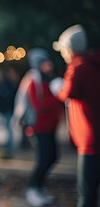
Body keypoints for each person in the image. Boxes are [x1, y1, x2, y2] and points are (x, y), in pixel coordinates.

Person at [54, 24, 100, 207]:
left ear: (70, 50)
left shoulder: (77, 68)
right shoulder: (94, 63)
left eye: (63, 50)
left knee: (86, 193)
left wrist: (57, 88)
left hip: (89, 141)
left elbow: (67, 92)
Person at [17, 48, 63, 207]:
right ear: (38, 64)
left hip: (49, 127)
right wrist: (58, 95)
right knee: (44, 160)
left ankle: (39, 188)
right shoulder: (33, 81)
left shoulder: (46, 79)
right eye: (44, 62)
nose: (49, 64)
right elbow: (39, 107)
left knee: (53, 157)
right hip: (39, 128)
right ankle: (33, 189)